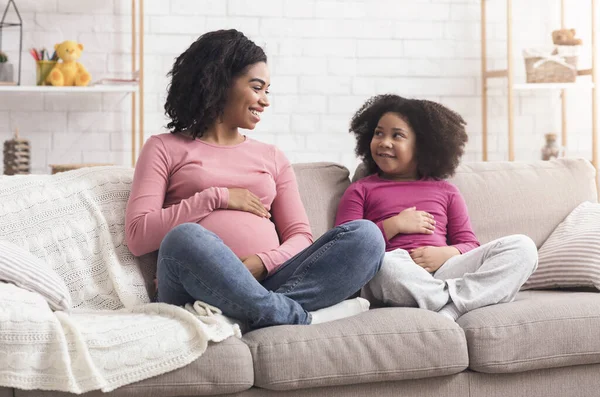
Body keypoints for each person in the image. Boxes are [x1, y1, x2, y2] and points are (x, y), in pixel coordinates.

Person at [125, 29, 385, 331]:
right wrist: (217, 197)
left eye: (267, 91)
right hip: (194, 285)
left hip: (268, 279)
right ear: (220, 82)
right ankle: (297, 315)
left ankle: (247, 312)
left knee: (366, 237)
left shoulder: (271, 156)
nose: (264, 101)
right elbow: (138, 235)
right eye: (257, 88)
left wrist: (263, 262)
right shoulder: (164, 147)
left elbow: (301, 237)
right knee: (184, 239)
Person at [335, 94, 538, 321]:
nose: (384, 142)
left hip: (444, 270)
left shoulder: (446, 191)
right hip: (396, 273)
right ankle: (461, 302)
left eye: (397, 135)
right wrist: (393, 225)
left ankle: (449, 306)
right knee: (386, 265)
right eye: (378, 133)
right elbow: (345, 247)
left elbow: (470, 243)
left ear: (423, 146)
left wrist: (447, 253)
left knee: (523, 247)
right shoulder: (361, 189)